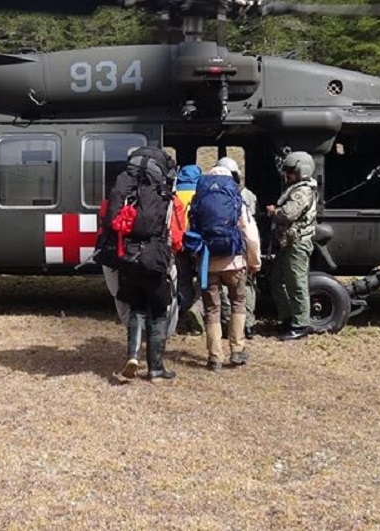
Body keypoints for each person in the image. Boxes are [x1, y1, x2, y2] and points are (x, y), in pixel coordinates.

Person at [94, 146, 183, 381]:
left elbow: (106, 220)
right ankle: (155, 368)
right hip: (154, 259)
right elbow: (176, 236)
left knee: (137, 307)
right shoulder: (165, 195)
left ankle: (132, 355)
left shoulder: (122, 190)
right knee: (159, 310)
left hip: (126, 257)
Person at [189, 165, 261, 370]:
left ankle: (214, 358)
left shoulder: (198, 201)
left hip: (207, 263)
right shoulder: (237, 201)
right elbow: (251, 235)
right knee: (238, 302)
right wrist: (254, 262)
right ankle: (237, 351)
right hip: (235, 262)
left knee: (212, 309)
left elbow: (191, 233)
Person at [265, 151, 318, 341]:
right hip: (288, 243)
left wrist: (274, 212)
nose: (287, 175)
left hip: (296, 244)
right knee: (277, 280)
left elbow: (288, 214)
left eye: (291, 171)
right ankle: (288, 317)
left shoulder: (302, 192)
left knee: (297, 284)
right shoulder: (296, 189)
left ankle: (301, 324)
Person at [214, 157, 258, 339]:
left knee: (222, 291)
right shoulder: (247, 195)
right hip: (241, 248)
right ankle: (247, 325)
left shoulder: (214, 194)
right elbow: (249, 224)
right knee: (245, 288)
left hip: (218, 250)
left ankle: (226, 323)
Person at [173, 164, 205, 336]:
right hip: (199, 243)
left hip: (180, 245)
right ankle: (199, 309)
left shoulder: (174, 194)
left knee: (183, 279)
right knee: (202, 279)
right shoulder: (201, 192)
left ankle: (185, 313)